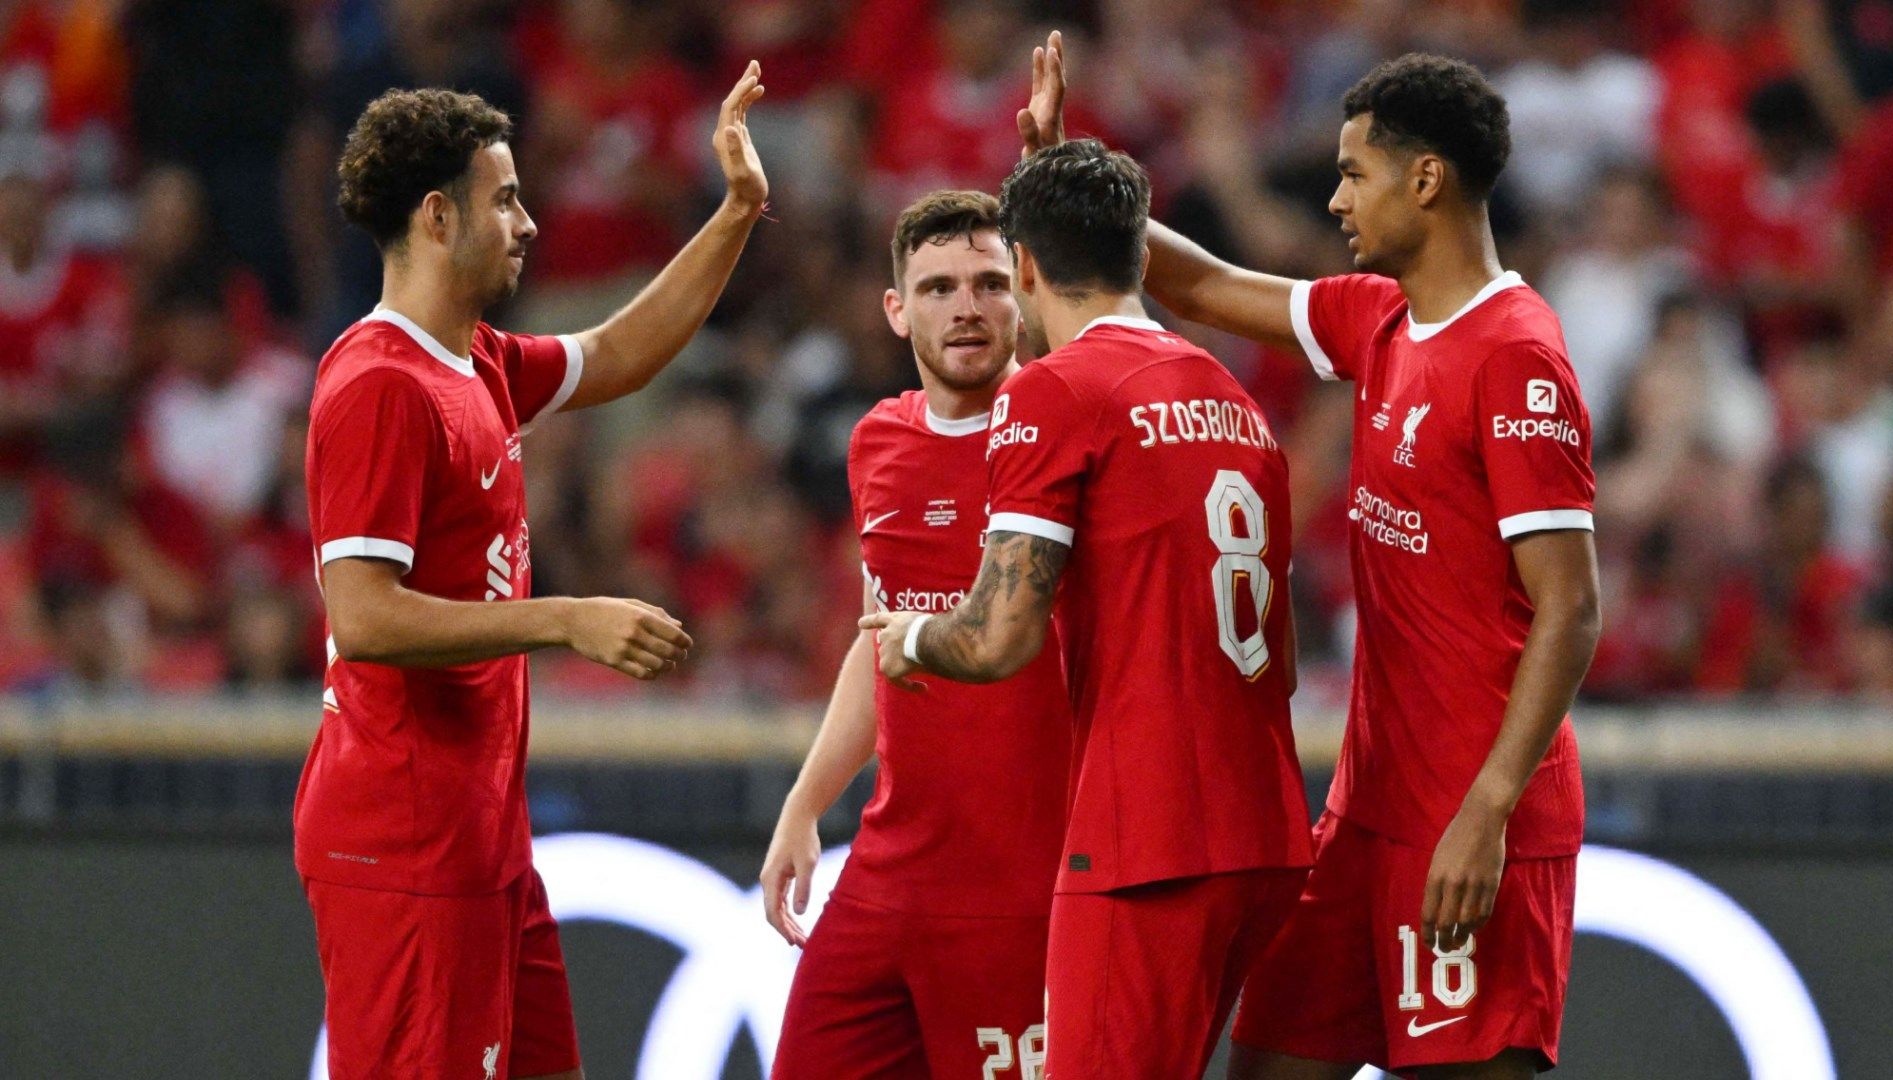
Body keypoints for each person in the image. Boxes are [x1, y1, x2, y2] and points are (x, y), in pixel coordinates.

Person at [1021, 36, 1602, 1080]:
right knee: (1268, 1059)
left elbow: (1571, 610)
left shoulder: (1516, 356)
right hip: (1368, 812)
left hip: (1473, 820)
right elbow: (1201, 287)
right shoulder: (1382, 320)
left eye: (1353, 173)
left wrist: (1486, 814)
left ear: (1425, 180)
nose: (1336, 199)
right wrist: (1066, 182)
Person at [299, 66, 769, 1080]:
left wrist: (737, 212)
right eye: (505, 197)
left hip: (482, 832)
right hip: (406, 837)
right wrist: (565, 619)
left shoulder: (477, 362)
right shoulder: (379, 384)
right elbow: (364, 615)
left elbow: (620, 352)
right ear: (437, 216)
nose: (530, 223)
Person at [861, 140, 1314, 1080]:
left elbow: (996, 637)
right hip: (1266, 832)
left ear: (1022, 266)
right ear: (1141, 257)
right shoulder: (1233, 397)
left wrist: (909, 636)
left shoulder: (1053, 391)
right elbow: (1285, 648)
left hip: (1149, 839)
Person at [762, 189, 1071, 1080]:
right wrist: (805, 804)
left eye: (987, 283)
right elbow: (880, 636)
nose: (965, 307)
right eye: (937, 288)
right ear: (896, 311)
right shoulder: (878, 443)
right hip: (889, 871)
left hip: (1023, 887)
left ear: (1024, 295)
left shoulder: (1064, 431)